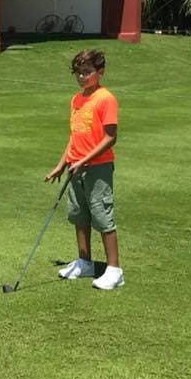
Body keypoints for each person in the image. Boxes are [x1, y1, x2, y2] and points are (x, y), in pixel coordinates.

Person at [45, 49, 123, 290]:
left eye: (87, 72)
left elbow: (110, 137)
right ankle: (85, 262)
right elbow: (75, 136)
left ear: (100, 72)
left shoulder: (105, 99)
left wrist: (84, 160)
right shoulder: (76, 100)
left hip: (98, 168)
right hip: (75, 166)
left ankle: (114, 270)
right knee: (79, 215)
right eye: (78, 72)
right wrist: (61, 165)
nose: (81, 77)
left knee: (102, 215)